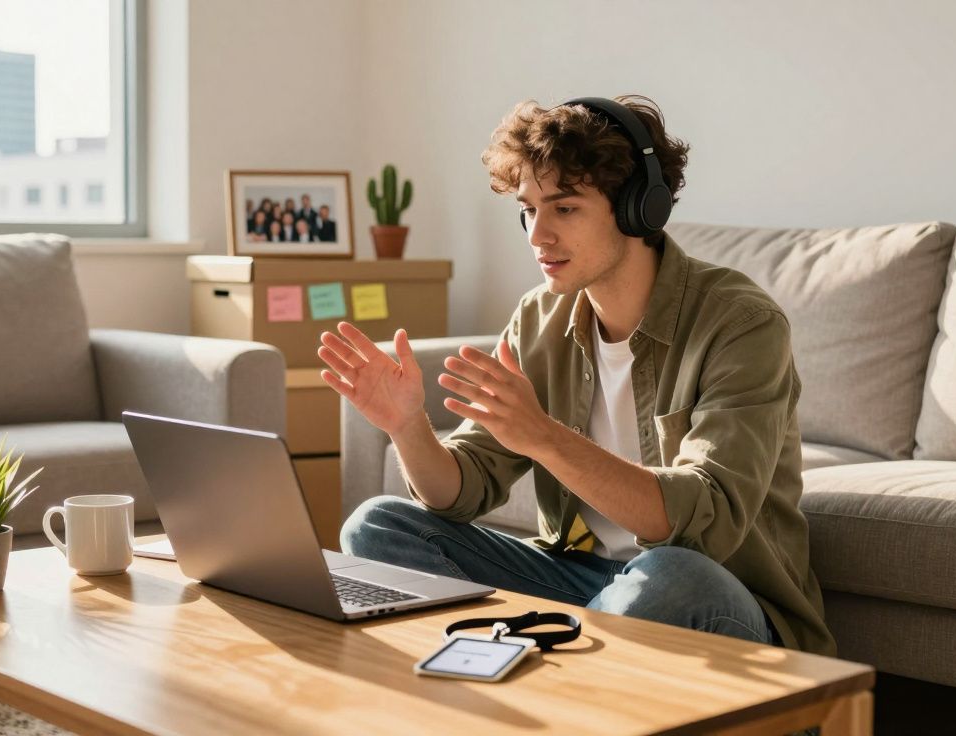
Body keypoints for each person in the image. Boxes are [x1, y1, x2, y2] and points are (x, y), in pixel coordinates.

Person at [318, 95, 836, 657]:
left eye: (564, 209)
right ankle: (558, 661)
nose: (538, 236)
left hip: (714, 598)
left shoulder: (739, 322)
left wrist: (543, 436)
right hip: (581, 583)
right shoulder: (540, 319)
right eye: (528, 210)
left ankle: (535, 658)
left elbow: (702, 527)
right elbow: (459, 494)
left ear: (640, 208)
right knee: (378, 527)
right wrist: (408, 427)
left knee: (668, 576)